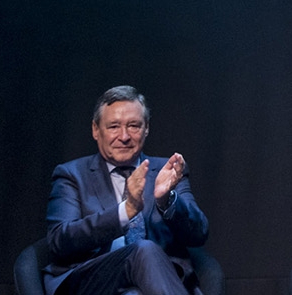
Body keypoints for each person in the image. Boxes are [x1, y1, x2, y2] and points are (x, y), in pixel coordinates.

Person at [43, 85, 209, 295]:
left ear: (146, 128)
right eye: (113, 126)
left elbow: (199, 234)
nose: (124, 136)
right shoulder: (71, 174)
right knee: (144, 249)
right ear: (96, 130)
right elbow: (60, 241)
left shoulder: (168, 172)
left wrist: (166, 201)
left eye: (133, 126)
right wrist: (126, 211)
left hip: (156, 283)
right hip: (92, 282)